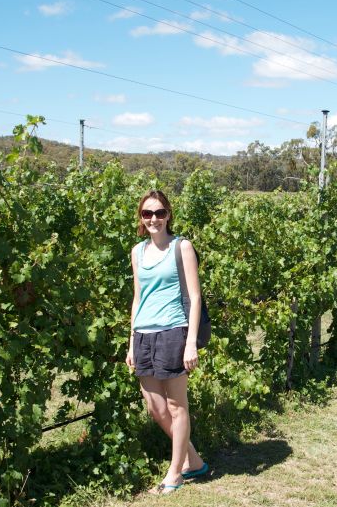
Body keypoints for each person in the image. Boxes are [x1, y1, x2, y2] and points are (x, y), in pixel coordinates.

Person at [126, 189, 209, 494]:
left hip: (174, 331)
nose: (154, 219)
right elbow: (138, 298)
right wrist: (131, 342)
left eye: (159, 213)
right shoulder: (137, 252)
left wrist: (190, 343)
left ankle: (176, 472)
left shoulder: (181, 247)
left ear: (168, 215)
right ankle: (194, 460)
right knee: (155, 407)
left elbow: (195, 297)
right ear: (141, 217)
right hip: (143, 334)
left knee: (176, 405)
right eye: (147, 213)